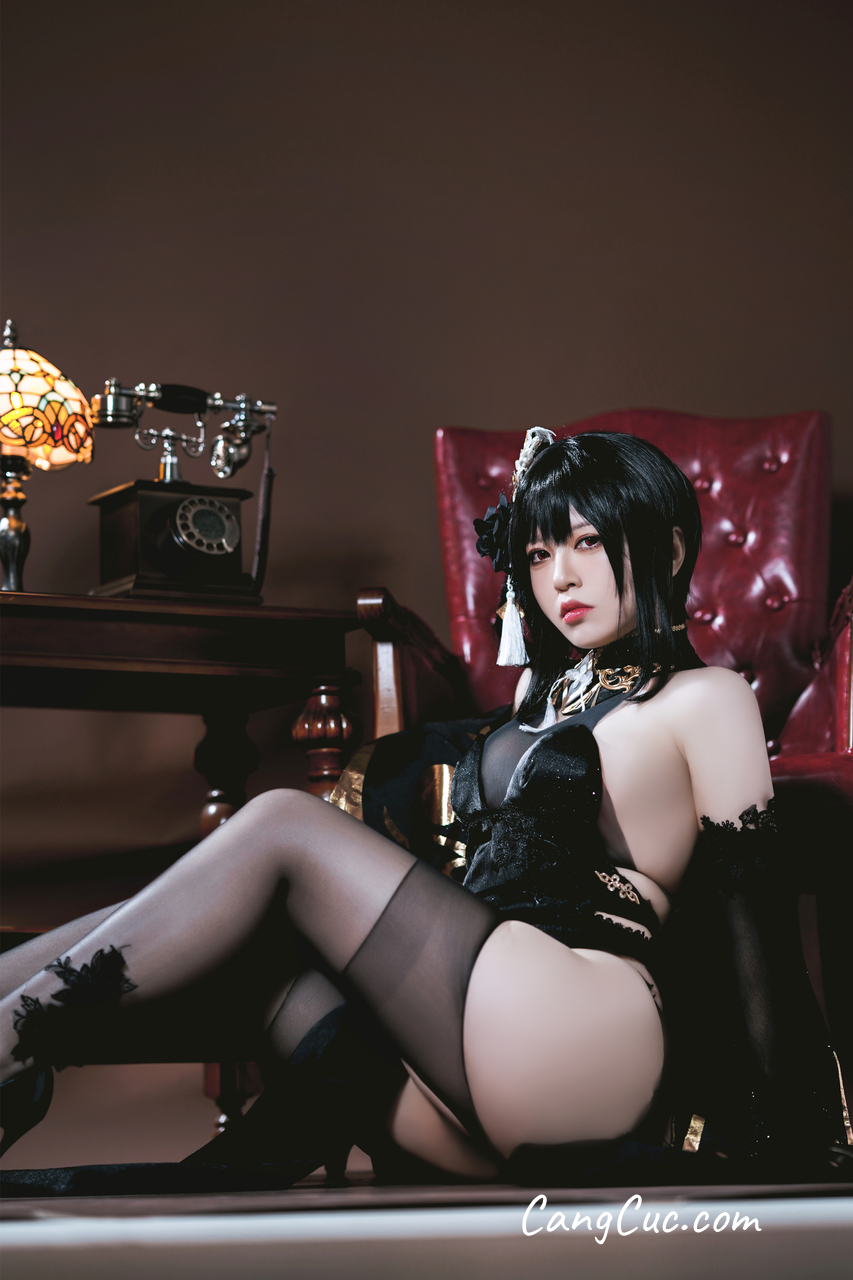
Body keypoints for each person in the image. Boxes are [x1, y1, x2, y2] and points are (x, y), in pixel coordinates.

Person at [0, 430, 845, 1183]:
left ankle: (11, 1033)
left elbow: (754, 915)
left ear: (666, 547)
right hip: (463, 1061)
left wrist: (796, 1124)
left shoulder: (705, 698)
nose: (559, 577)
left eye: (587, 542)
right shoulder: (536, 699)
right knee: (261, 954)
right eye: (539, 552)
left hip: (577, 1027)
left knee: (283, 824)